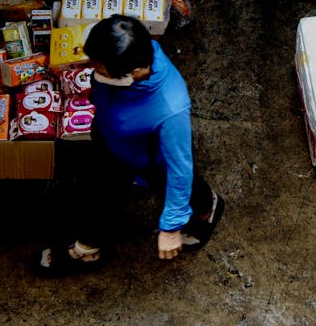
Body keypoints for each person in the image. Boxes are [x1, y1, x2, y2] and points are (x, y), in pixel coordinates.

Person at [38, 15, 223, 274]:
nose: (93, 70)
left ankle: (206, 210)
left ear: (133, 72)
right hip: (111, 140)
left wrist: (171, 227)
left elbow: (180, 168)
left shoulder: (170, 109)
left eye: (99, 68)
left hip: (146, 156)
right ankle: (89, 245)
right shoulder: (130, 50)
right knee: (99, 191)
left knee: (170, 183)